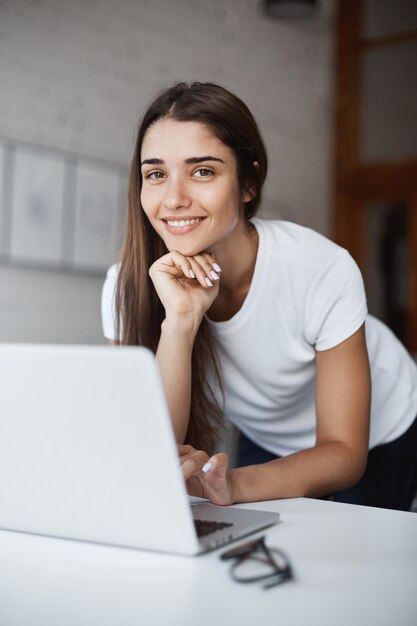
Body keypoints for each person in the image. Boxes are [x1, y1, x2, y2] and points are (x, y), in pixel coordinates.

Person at [101, 81, 417, 511]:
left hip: (380, 430)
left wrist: (236, 484)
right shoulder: (128, 287)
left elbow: (344, 451)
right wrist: (179, 321)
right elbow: (152, 449)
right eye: (155, 174)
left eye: (202, 171)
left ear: (248, 183)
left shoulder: (320, 269)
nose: (173, 199)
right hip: (268, 430)